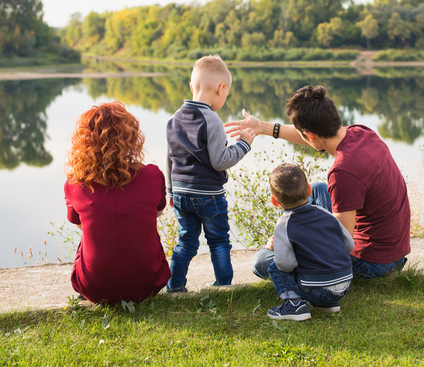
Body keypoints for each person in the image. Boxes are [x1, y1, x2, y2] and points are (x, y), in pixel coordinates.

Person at [226, 85, 410, 279]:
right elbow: (312, 135)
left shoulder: (343, 171)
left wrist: (288, 242)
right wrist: (263, 127)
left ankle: (290, 239)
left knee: (262, 262)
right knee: (317, 190)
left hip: (374, 263)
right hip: (393, 250)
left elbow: (341, 244)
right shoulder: (362, 133)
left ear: (310, 135)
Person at [64, 101, 170, 304]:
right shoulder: (152, 175)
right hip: (148, 284)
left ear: (83, 143)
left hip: (94, 289)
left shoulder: (75, 184)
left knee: (88, 234)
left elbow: (80, 224)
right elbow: (156, 213)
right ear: (131, 138)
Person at [166, 54, 256, 292]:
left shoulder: (174, 118)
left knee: (185, 242)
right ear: (221, 88)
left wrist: (170, 191)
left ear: (191, 86)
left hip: (181, 194)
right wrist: (244, 144)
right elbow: (219, 162)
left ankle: (175, 287)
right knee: (218, 242)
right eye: (227, 94)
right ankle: (223, 285)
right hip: (209, 195)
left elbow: (170, 158)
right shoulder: (211, 119)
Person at [264, 163, 354, 321]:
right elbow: (349, 245)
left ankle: (295, 305)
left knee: (274, 267)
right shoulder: (325, 213)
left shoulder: (283, 225)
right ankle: (328, 304)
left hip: (315, 290)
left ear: (274, 201)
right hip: (344, 286)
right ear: (310, 190)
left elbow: (285, 265)